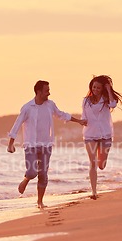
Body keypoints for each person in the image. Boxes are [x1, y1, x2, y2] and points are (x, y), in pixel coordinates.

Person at [7, 80, 86, 209]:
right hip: (31, 145)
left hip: (46, 145)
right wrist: (11, 144)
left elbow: (61, 115)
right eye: (46, 90)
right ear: (38, 92)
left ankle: (40, 202)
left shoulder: (50, 105)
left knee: (43, 174)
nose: (49, 93)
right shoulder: (27, 107)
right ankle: (26, 180)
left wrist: (78, 121)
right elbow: (17, 124)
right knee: (32, 172)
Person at [81, 75, 122, 199]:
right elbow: (84, 115)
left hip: (105, 135)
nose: (95, 89)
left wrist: (109, 89)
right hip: (90, 134)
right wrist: (81, 121)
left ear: (103, 89)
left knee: (101, 165)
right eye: (94, 87)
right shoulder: (85, 101)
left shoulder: (106, 100)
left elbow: (113, 105)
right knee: (93, 163)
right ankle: (94, 192)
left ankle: (101, 166)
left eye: (98, 88)